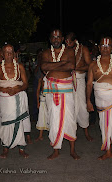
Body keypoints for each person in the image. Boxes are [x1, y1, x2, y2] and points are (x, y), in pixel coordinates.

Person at [41, 29, 80, 160]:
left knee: (70, 118)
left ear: (62, 38)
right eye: (53, 37)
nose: (56, 39)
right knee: (53, 118)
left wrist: (53, 66)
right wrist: (62, 63)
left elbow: (71, 65)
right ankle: (56, 149)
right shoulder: (46, 52)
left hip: (66, 88)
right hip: (52, 90)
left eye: (58, 37)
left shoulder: (69, 51)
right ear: (50, 39)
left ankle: (72, 150)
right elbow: (44, 67)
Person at [0, 44, 30, 159]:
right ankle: (5, 147)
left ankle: (21, 147)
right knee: (6, 122)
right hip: (5, 100)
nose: (9, 54)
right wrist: (3, 89)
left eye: (11, 52)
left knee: (18, 121)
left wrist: (18, 88)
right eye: (6, 52)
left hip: (18, 97)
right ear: (2, 54)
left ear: (14, 54)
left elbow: (26, 83)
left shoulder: (20, 67)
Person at [65, 32, 93, 141]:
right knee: (69, 106)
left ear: (75, 41)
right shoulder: (65, 50)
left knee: (82, 106)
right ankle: (71, 131)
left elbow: (90, 65)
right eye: (66, 42)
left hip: (80, 80)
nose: (67, 44)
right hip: (67, 81)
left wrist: (76, 69)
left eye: (70, 42)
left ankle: (86, 131)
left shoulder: (83, 49)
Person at [35, 71, 49, 141]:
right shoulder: (41, 79)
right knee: (41, 116)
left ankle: (53, 134)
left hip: (50, 99)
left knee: (51, 116)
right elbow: (38, 91)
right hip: (43, 98)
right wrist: (38, 102)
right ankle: (40, 135)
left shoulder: (52, 78)